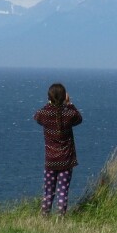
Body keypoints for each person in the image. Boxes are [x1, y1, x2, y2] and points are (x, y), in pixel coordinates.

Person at [34, 83, 82, 216]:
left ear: (49, 97)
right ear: (64, 97)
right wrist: (70, 103)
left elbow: (37, 116)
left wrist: (49, 103)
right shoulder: (69, 113)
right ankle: (60, 216)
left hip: (50, 160)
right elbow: (79, 118)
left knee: (48, 191)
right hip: (66, 160)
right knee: (63, 190)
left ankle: (45, 215)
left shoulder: (44, 113)